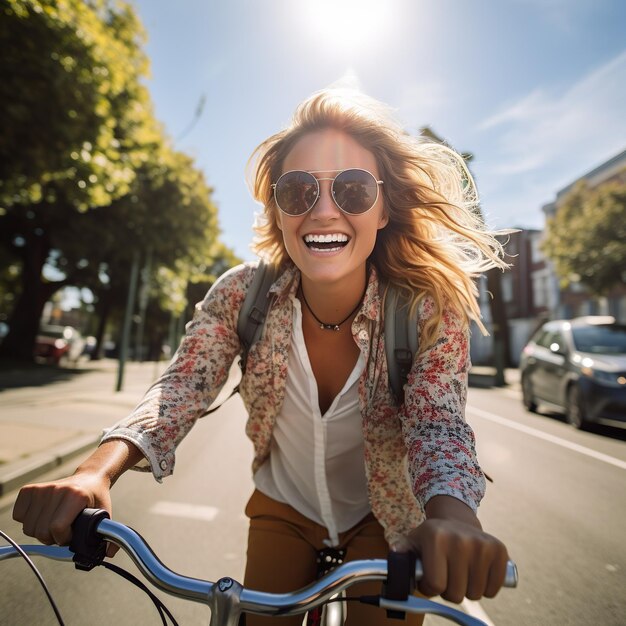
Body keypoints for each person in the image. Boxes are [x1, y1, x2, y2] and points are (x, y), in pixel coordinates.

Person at [13, 88, 510, 625]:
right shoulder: (241, 295)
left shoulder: (425, 309)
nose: (323, 210)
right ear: (277, 208)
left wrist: (453, 517)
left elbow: (438, 424)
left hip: (385, 517)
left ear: (384, 207)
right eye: (297, 191)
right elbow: (182, 386)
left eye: (353, 189)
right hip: (283, 506)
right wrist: (93, 473)